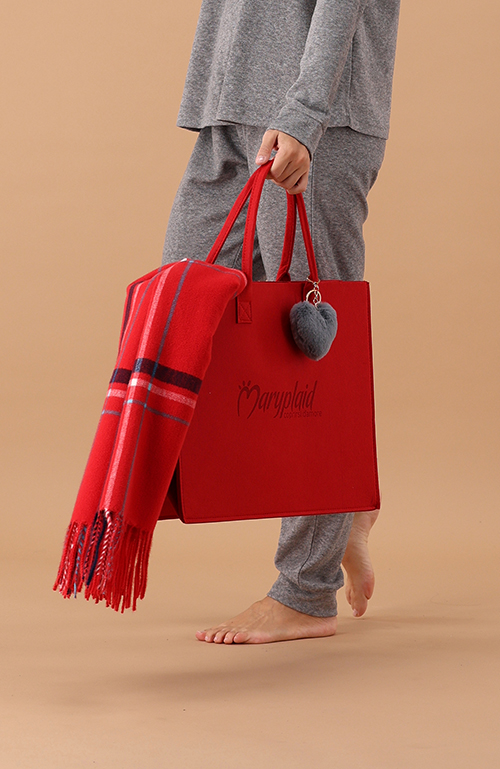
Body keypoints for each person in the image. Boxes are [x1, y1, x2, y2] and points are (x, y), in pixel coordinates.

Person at [162, 0, 401, 643]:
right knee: (179, 301)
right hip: (230, 101)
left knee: (312, 354)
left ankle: (306, 590)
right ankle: (344, 504)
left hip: (314, 115)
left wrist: (304, 114)